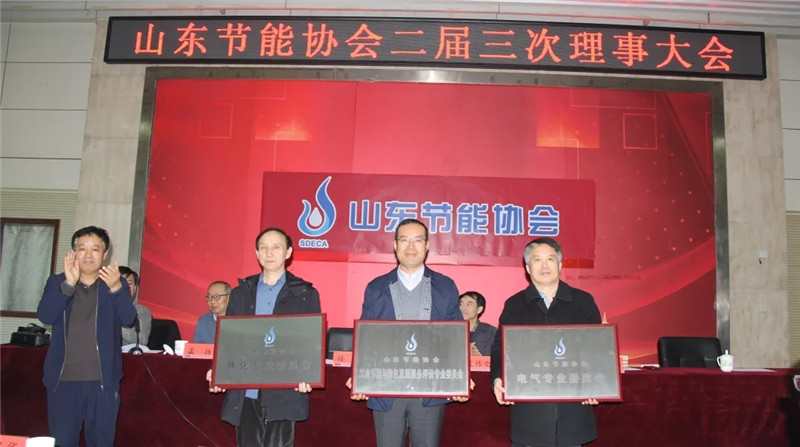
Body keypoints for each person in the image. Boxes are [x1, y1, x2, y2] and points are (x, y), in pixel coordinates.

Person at [348, 218, 468, 447]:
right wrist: (359, 377)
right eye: (404, 240)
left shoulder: (445, 286)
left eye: (417, 240)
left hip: (430, 391)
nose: (411, 246)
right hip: (386, 390)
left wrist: (459, 378)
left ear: (427, 246)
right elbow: (366, 337)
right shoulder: (376, 287)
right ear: (395, 245)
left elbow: (455, 337)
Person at [206, 227, 320, 447]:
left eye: (276, 247)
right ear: (257, 253)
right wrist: (218, 370)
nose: (269, 253)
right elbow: (229, 340)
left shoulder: (305, 294)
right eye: (263, 248)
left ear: (288, 252)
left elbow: (311, 343)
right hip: (246, 391)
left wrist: (308, 374)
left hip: (283, 391)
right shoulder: (241, 293)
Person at [491, 237, 601, 447]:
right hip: (530, 409)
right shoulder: (515, 304)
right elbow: (500, 347)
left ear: (559, 265)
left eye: (550, 259)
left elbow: (597, 348)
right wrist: (498, 379)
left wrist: (597, 384)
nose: (544, 265)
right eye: (537, 260)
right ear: (527, 268)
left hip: (573, 408)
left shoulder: (583, 301)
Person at [36, 226, 137, 447]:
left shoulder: (115, 283)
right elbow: (45, 316)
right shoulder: (57, 281)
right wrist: (68, 285)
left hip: (103, 383)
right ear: (74, 252)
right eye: (82, 248)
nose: (88, 255)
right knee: (63, 442)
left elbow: (129, 319)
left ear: (105, 254)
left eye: (95, 249)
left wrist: (116, 288)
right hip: (62, 381)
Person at [119, 265, 152, 347]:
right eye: (120, 283)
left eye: (129, 284)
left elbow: (143, 340)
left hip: (128, 353)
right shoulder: (100, 308)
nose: (125, 287)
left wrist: (116, 327)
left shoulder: (141, 312)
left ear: (135, 288)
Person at [459, 291, 497, 356]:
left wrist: (477, 358)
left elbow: (498, 357)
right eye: (460, 304)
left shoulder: (491, 332)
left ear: (479, 309)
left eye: (469, 304)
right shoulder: (451, 331)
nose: (463, 308)